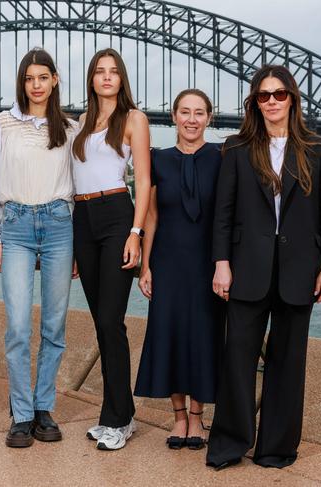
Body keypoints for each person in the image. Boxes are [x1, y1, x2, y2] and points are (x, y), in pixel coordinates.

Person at [205, 65, 321, 470]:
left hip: (300, 270)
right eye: (263, 96)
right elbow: (223, 215)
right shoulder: (236, 148)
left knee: (288, 363)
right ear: (254, 103)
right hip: (246, 268)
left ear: (292, 99)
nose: (271, 102)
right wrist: (221, 264)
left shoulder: (317, 149)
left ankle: (276, 448)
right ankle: (229, 444)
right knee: (238, 359)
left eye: (278, 94)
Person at [0, 48, 76, 448]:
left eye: (43, 77)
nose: (36, 85)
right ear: (22, 83)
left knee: (54, 326)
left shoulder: (71, 129)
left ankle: (43, 407)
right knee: (19, 327)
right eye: (29, 78)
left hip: (59, 225)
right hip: (17, 225)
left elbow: (80, 185)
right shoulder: (2, 123)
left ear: (55, 80)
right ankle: (21, 414)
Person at [134, 89, 224, 450]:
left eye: (199, 113)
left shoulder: (222, 157)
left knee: (203, 334)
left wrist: (225, 263)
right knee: (168, 332)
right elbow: (152, 216)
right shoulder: (158, 159)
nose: (191, 119)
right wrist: (146, 265)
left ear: (209, 118)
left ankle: (199, 418)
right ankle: (178, 417)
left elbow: (227, 215)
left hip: (207, 261)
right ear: (173, 116)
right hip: (167, 260)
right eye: (185, 112)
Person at [71, 48, 151, 451]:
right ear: (91, 79)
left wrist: (135, 232)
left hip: (117, 214)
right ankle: (119, 413)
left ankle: (118, 418)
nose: (106, 77)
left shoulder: (134, 119)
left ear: (122, 79)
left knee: (110, 319)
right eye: (100, 71)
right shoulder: (80, 123)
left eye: (114, 71)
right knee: (100, 322)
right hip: (82, 220)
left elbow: (144, 182)